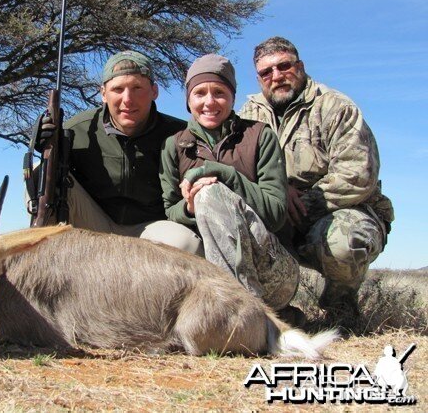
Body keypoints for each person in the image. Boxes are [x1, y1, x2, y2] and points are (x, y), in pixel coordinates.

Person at [239, 37, 394, 324]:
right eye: (266, 72)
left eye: (283, 66)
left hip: (336, 211)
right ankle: (270, 313)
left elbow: (358, 175)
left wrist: (303, 201)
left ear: (300, 66)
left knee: (345, 242)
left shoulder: (336, 107)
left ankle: (341, 309)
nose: (276, 76)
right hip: (276, 211)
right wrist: (278, 195)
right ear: (259, 78)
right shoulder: (247, 115)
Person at [160, 54, 301, 317]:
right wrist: (190, 208)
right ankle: (255, 314)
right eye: (200, 93)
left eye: (219, 92)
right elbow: (169, 210)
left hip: (272, 273)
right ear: (188, 100)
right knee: (203, 198)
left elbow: (276, 213)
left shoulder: (260, 136)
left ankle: (241, 314)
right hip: (204, 276)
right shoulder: (174, 145)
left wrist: (225, 175)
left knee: (210, 192)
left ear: (233, 98)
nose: (209, 102)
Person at [31, 50, 203, 254]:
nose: (127, 99)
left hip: (150, 228)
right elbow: (54, 176)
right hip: (94, 225)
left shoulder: (180, 135)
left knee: (187, 245)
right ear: (103, 93)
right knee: (39, 172)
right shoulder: (77, 128)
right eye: (117, 89)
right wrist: (41, 141)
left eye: (137, 88)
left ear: (154, 91)